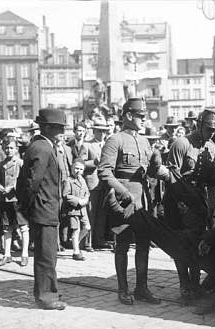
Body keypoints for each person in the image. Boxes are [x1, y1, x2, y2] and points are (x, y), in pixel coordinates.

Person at [98, 97, 161, 306]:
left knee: (144, 244)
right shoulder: (115, 140)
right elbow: (104, 172)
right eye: (140, 116)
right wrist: (123, 192)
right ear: (128, 116)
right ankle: (123, 289)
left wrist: (156, 163)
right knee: (123, 244)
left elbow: (149, 172)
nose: (144, 119)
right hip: (123, 201)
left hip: (142, 200)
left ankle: (141, 288)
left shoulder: (144, 141)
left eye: (144, 116)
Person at [165, 109, 215, 300]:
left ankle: (195, 285)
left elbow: (211, 178)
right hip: (180, 202)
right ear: (199, 125)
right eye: (208, 129)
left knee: (197, 245)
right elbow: (171, 177)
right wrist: (180, 205)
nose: (211, 133)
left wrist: (211, 209)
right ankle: (184, 286)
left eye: (214, 130)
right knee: (181, 246)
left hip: (199, 202)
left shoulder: (211, 147)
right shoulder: (181, 144)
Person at [17, 108, 67, 310]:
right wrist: (28, 207)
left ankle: (49, 290)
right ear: (47, 128)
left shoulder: (42, 146)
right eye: (58, 128)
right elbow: (32, 182)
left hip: (45, 207)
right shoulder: (42, 148)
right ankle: (46, 296)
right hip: (43, 208)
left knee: (48, 254)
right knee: (46, 255)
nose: (61, 132)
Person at [0, 137, 29, 267]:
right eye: (6, 148)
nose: (8, 150)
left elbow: (25, 180)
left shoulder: (20, 163)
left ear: (16, 149)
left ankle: (24, 254)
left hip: (18, 199)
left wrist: (14, 186)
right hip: (5, 199)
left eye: (11, 148)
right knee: (7, 227)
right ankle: (7, 254)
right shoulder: (1, 164)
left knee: (23, 226)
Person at [85, 116, 113, 250]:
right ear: (94, 131)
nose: (102, 134)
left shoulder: (109, 144)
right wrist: (93, 163)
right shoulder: (87, 144)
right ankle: (88, 242)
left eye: (104, 131)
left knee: (103, 213)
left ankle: (99, 239)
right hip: (93, 183)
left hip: (106, 184)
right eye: (99, 131)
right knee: (91, 213)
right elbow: (79, 164)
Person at [62, 159, 90, 261]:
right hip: (73, 209)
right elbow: (66, 195)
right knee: (76, 229)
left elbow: (87, 191)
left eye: (81, 169)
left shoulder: (82, 179)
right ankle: (76, 252)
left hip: (83, 209)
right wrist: (78, 201)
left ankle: (75, 242)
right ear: (72, 168)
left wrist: (86, 199)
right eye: (76, 168)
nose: (78, 171)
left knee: (87, 227)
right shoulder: (68, 180)